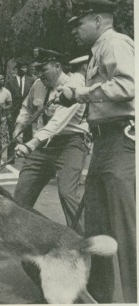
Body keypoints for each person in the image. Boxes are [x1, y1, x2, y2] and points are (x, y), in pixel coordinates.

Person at [57, 0, 136, 302]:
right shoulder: (98, 51)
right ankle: (102, 297)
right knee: (99, 228)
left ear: (99, 19)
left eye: (79, 23)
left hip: (120, 142)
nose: (75, 30)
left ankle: (133, 297)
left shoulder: (114, 42)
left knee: (126, 229)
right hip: (103, 143)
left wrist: (81, 94)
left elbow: (128, 85)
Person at [13, 48, 89, 235]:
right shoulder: (38, 85)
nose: (39, 74)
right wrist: (18, 128)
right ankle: (15, 244)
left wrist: (30, 144)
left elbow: (57, 122)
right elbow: (27, 108)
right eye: (36, 70)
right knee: (20, 196)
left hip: (70, 143)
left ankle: (86, 246)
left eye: (43, 69)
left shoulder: (73, 87)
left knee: (67, 194)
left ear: (57, 66)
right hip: (43, 145)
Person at [5, 60, 35, 161]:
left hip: (27, 110)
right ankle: (10, 156)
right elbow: (7, 98)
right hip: (14, 110)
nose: (25, 70)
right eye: (22, 68)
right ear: (17, 69)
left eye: (26, 68)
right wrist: (8, 113)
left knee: (28, 133)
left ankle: (29, 156)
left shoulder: (31, 80)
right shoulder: (10, 81)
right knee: (12, 133)